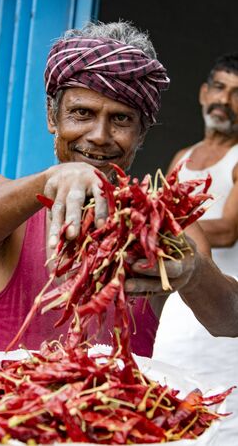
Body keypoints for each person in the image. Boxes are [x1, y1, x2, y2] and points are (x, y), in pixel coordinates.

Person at [0, 22, 238, 357]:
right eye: (82, 113)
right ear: (53, 117)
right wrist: (47, 181)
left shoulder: (163, 223)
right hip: (7, 406)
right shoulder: (5, 200)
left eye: (122, 119)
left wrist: (195, 271)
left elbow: (229, 320)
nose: (99, 135)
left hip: (121, 409)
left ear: (141, 134)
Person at [153, 52, 238, 444]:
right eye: (219, 87)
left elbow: (228, 230)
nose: (225, 99)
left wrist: (157, 223)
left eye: (237, 93)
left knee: (217, 424)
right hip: (178, 312)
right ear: (204, 93)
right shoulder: (181, 158)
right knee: (165, 415)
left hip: (223, 306)